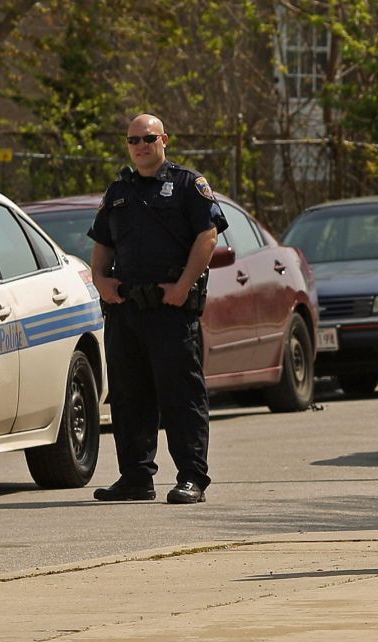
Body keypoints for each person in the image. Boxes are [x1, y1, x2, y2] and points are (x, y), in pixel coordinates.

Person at [89, 113, 226, 505]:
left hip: (170, 308)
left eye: (148, 138)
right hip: (125, 308)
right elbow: (102, 242)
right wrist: (100, 279)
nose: (141, 146)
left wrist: (184, 285)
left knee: (181, 395)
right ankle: (135, 477)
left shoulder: (187, 184)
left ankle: (191, 478)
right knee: (129, 396)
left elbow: (208, 234)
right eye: (133, 140)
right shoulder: (119, 191)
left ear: (164, 139)